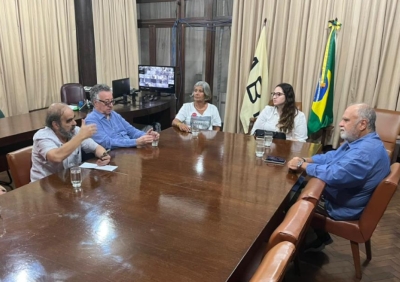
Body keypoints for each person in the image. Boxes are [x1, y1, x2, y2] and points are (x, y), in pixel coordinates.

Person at [287, 103, 390, 251]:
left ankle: (293, 249)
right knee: (298, 186)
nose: (340, 124)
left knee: (289, 198)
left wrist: (301, 166)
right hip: (341, 197)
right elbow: (333, 156)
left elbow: (334, 174)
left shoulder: (365, 152)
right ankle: (319, 238)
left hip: (341, 207)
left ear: (362, 124)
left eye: (346, 120)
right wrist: (305, 160)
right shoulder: (362, 142)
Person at [31, 103, 111, 182]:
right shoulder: (42, 137)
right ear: (56, 125)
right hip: (44, 189)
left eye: (73, 118)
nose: (75, 123)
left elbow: (96, 148)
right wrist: (80, 137)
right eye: (69, 121)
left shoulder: (74, 131)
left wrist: (104, 156)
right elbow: (56, 157)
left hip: (68, 184)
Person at [85, 84, 159, 149]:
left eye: (112, 101)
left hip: (129, 150)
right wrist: (135, 142)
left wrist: (147, 136)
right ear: (96, 103)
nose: (111, 105)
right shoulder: (91, 120)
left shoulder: (114, 114)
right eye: (107, 102)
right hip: (113, 155)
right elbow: (107, 143)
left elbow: (132, 131)